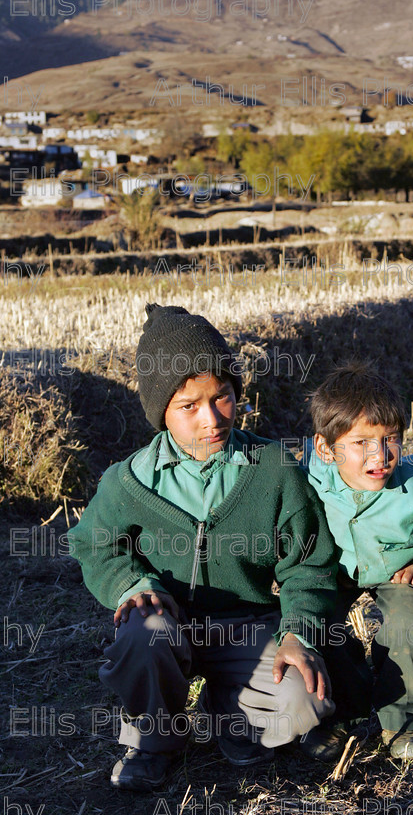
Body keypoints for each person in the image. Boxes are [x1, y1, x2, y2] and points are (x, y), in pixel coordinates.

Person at [67, 303, 338, 791]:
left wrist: (299, 631)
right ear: (160, 412)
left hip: (247, 627)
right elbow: (94, 543)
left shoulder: (273, 469)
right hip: (170, 626)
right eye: (188, 406)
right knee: (139, 632)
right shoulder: (129, 481)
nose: (211, 419)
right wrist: (134, 583)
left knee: (306, 702)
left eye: (224, 397)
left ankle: (229, 713)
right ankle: (154, 741)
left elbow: (309, 564)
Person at [300, 362, 413, 762]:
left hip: (399, 570)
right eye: (362, 442)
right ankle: (339, 714)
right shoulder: (307, 477)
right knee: (320, 623)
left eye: (391, 439)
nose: (380, 455)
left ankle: (402, 722)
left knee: (405, 625)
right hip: (337, 570)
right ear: (326, 449)